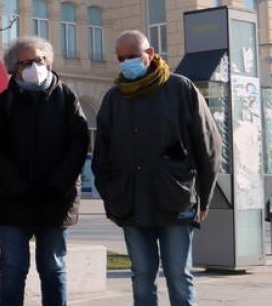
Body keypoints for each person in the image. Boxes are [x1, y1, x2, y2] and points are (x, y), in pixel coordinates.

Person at [92, 31, 221, 306]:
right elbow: (101, 157)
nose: (127, 62)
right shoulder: (115, 98)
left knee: (178, 274)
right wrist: (112, 197)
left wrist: (205, 196)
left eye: (133, 56)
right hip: (131, 203)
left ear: (150, 54)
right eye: (121, 58)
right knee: (141, 275)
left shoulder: (181, 89)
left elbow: (208, 144)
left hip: (175, 200)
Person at [0, 36, 89, 306]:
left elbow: (78, 145)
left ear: (48, 62)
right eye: (26, 62)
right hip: (12, 202)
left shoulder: (67, 98)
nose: (34, 67)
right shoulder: (4, 102)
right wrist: (16, 185)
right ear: (14, 68)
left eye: (39, 60)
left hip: (56, 202)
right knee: (12, 269)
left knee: (53, 269)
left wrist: (56, 185)